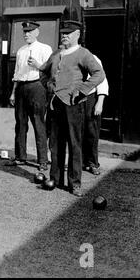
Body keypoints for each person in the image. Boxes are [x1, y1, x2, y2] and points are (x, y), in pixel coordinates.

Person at [40, 20, 105, 196]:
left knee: (75, 144)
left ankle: (74, 183)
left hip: (74, 105)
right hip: (55, 105)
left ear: (77, 35)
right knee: (55, 144)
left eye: (68, 33)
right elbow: (43, 71)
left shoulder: (83, 54)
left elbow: (99, 74)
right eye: (62, 33)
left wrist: (82, 90)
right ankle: (55, 178)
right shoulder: (55, 54)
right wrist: (48, 85)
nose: (64, 36)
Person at [6, 21, 52, 171]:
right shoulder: (20, 50)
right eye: (25, 32)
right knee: (20, 124)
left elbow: (50, 70)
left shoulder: (45, 48)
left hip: (37, 87)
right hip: (21, 88)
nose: (27, 34)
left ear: (37, 32)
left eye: (30, 31)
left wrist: (38, 65)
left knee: (38, 123)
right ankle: (20, 157)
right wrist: (13, 92)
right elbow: (16, 73)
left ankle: (43, 160)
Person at [83, 55, 109, 176]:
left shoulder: (92, 58)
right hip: (75, 98)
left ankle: (93, 163)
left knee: (91, 131)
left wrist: (100, 102)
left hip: (90, 97)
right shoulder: (67, 57)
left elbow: (102, 80)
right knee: (77, 132)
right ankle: (81, 162)